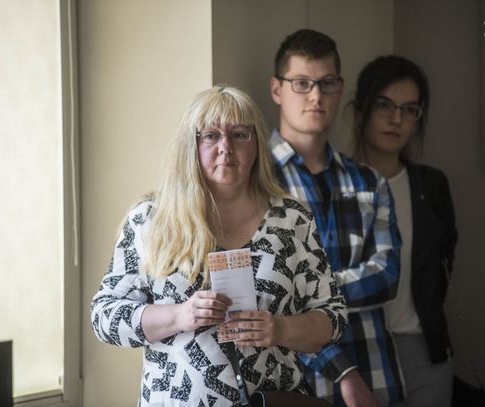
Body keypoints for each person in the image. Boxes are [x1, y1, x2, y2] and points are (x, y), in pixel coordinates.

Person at [90, 85, 347, 407]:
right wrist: (180, 315)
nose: (226, 147)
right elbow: (104, 317)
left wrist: (280, 329)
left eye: (239, 135)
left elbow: (333, 317)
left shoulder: (291, 220)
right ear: (190, 145)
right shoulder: (151, 220)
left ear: (257, 144)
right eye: (211, 136)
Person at [268, 29, 403, 406]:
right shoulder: (257, 183)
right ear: (277, 89)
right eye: (301, 83)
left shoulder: (369, 181)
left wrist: (311, 297)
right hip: (295, 385)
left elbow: (387, 275)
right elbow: (269, 297)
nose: (316, 96)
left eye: (327, 83)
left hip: (375, 374)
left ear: (340, 89)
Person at [353, 55, 458, 406]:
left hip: (423, 349)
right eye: (384, 105)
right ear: (361, 109)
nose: (396, 119)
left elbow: (443, 262)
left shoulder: (431, 186)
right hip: (358, 348)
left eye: (409, 109)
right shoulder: (337, 184)